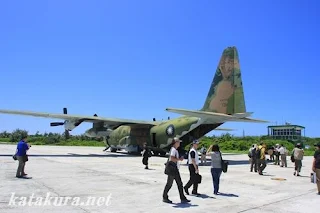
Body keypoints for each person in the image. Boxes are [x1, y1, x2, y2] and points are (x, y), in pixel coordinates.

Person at [162, 137, 190, 203]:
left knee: (171, 184)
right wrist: (179, 159)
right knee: (178, 184)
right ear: (175, 143)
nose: (179, 143)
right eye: (178, 142)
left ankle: (165, 197)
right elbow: (172, 158)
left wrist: (179, 158)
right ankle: (182, 198)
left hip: (173, 169)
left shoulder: (174, 150)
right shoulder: (173, 150)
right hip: (173, 169)